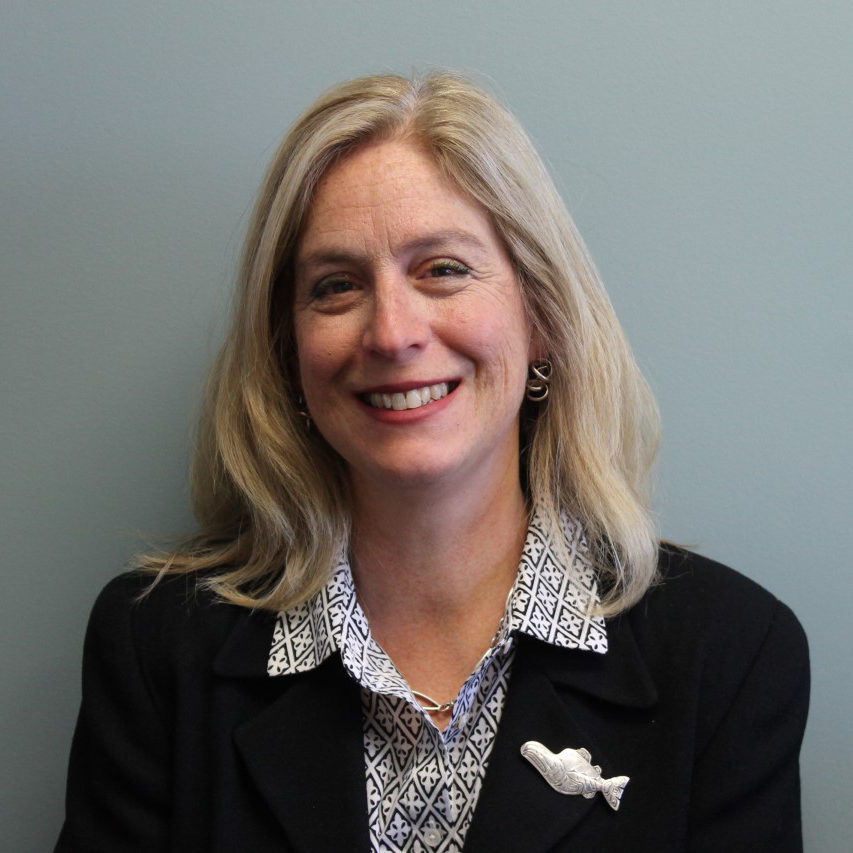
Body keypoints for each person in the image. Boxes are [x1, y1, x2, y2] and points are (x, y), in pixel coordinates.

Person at [55, 71, 809, 853]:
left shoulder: (728, 655)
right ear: (289, 355)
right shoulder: (155, 650)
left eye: (441, 269)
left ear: (542, 318)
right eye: (337, 286)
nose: (390, 332)